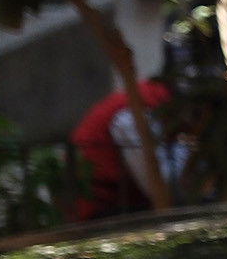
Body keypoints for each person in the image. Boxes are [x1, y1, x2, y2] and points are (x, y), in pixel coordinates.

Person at [69, 78, 196, 221]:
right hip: (103, 215)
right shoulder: (135, 113)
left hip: (125, 205)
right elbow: (161, 189)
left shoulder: (149, 99)